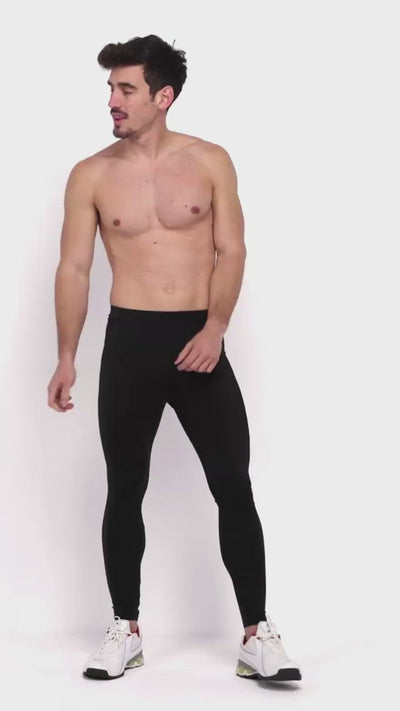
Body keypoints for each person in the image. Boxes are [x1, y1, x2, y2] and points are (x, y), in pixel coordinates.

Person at [47, 33, 302, 683]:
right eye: (110, 88)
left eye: (125, 88)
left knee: (232, 482)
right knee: (125, 485)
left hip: (198, 338)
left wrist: (216, 327)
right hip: (130, 341)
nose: (112, 100)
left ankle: (257, 634)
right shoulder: (91, 174)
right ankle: (124, 629)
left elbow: (231, 250)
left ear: (163, 96)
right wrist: (67, 355)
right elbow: (74, 268)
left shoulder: (210, 160)